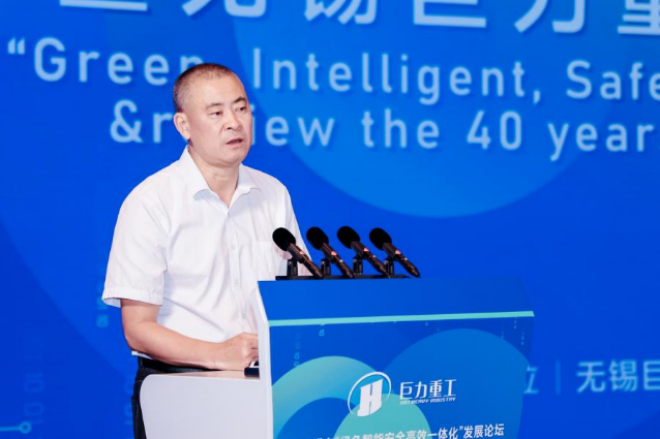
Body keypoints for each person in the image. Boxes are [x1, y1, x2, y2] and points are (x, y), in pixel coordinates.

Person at [102, 63, 308, 439]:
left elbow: (299, 295)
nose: (234, 122)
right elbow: (138, 330)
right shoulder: (151, 202)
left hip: (265, 388)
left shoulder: (273, 194)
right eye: (216, 113)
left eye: (241, 108)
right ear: (184, 125)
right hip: (180, 389)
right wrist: (219, 354)